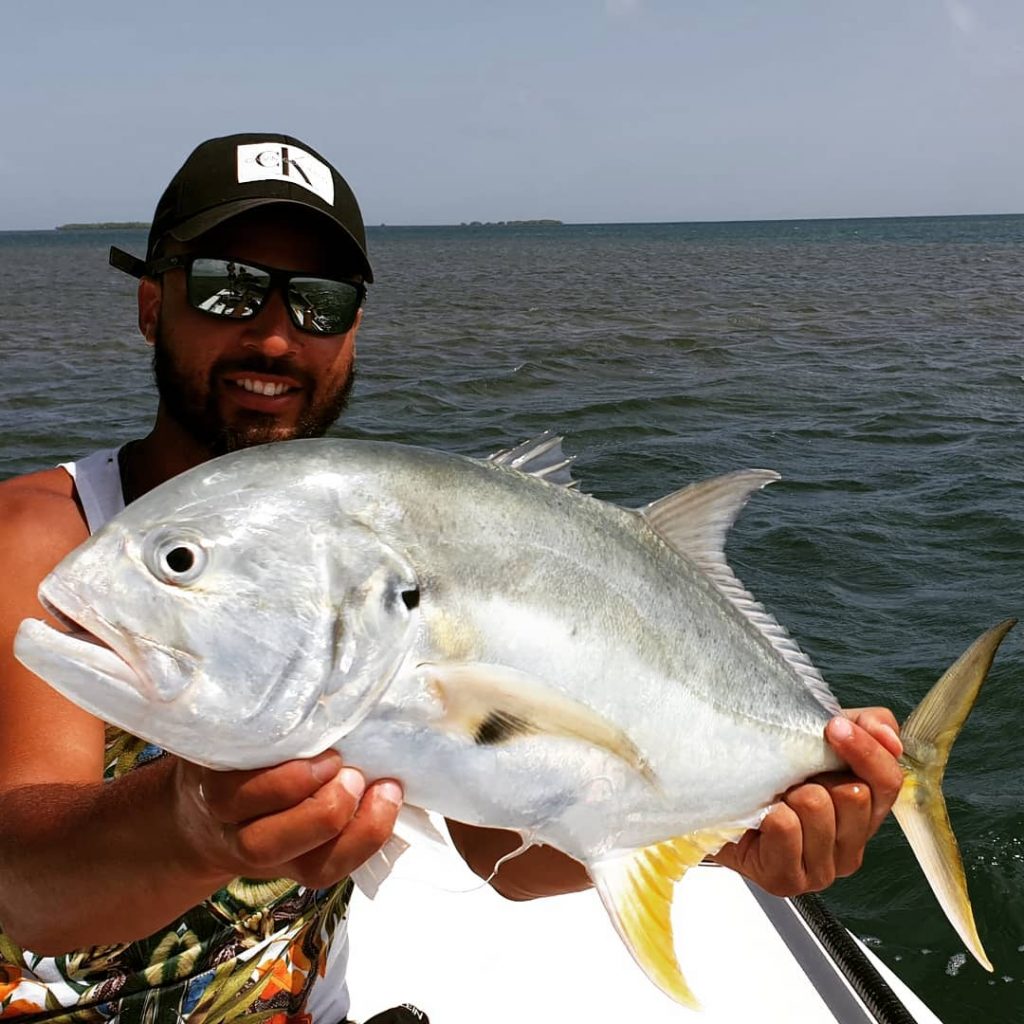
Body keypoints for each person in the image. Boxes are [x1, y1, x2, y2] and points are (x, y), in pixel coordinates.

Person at [0, 133, 905, 1023]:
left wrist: (734, 842)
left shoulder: (356, 551)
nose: (275, 339)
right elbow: (23, 885)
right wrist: (195, 824)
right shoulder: (45, 537)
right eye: (225, 289)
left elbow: (498, 847)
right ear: (152, 305)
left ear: (352, 331)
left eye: (319, 302)